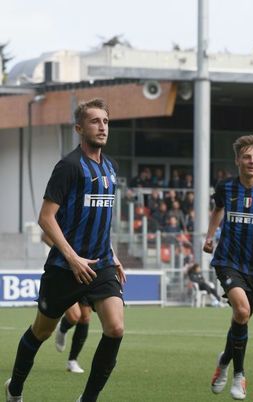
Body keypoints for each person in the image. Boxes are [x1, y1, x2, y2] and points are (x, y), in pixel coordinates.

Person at [5, 98, 126, 402]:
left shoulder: (111, 167)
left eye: (106, 121)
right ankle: (14, 388)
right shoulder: (69, 166)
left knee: (115, 328)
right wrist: (72, 258)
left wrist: (112, 254)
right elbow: (45, 218)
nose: (102, 127)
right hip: (64, 267)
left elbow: (100, 218)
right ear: (79, 128)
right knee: (41, 332)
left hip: (100, 264)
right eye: (95, 121)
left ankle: (87, 399)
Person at [203, 134, 253, 400]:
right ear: (237, 160)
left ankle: (224, 361)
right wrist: (209, 236)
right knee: (241, 310)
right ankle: (239, 375)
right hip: (227, 260)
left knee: (241, 318)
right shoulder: (225, 187)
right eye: (247, 157)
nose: (252, 161)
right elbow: (218, 209)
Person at [41, 231, 93, 374]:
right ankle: (63, 328)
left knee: (85, 317)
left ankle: (72, 361)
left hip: (85, 268)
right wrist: (68, 254)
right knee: (74, 316)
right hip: (63, 269)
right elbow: (45, 236)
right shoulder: (64, 217)